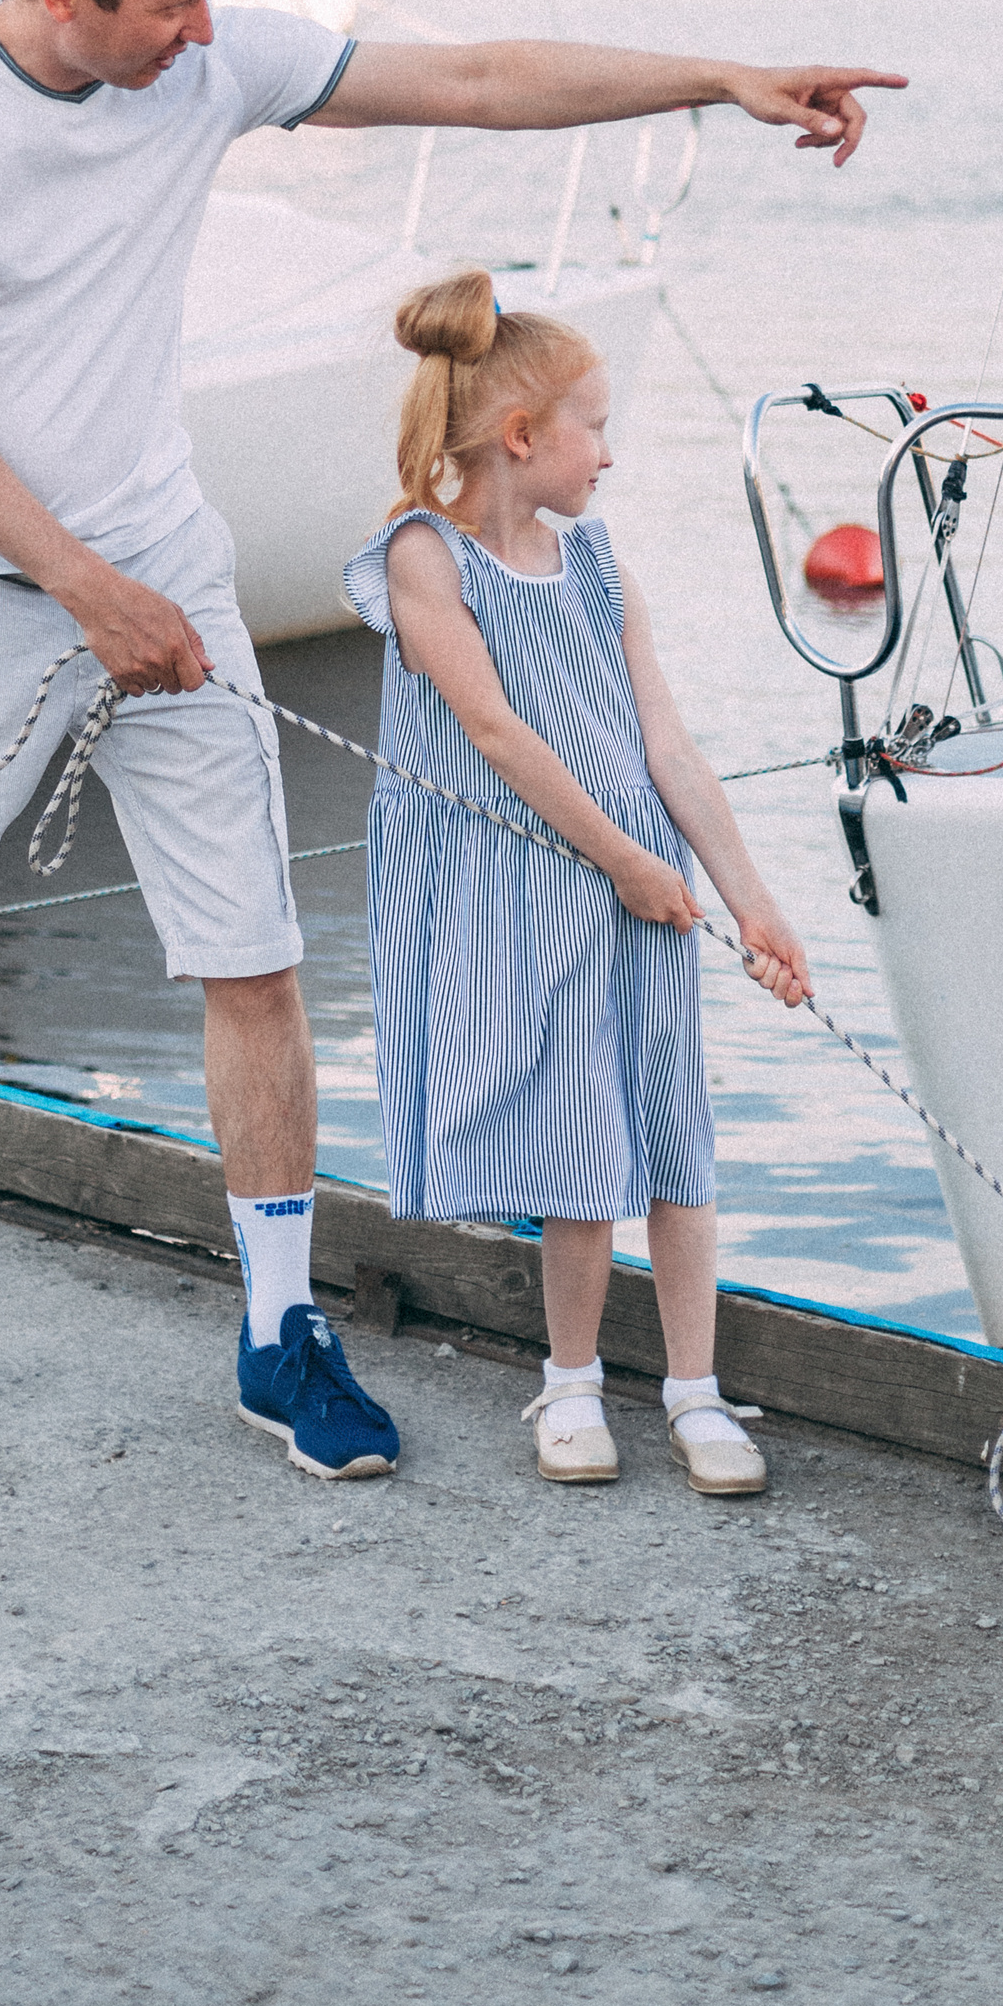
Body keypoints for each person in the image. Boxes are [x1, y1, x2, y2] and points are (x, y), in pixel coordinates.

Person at [0, 0, 897, 1477]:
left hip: (161, 559)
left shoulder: (203, 67)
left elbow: (480, 78)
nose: (206, 38)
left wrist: (722, 78)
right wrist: (79, 589)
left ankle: (280, 1332)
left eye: (214, 0)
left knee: (254, 956)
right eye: (172, 6)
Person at [343, 270, 810, 1496]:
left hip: (641, 886)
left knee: (670, 1135)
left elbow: (668, 744)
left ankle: (697, 1395)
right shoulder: (421, 557)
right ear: (521, 436)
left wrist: (748, 896)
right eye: (593, 426)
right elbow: (493, 732)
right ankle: (570, 1386)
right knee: (576, 1144)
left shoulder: (597, 562)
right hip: (533, 888)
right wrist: (629, 864)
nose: (609, 452)